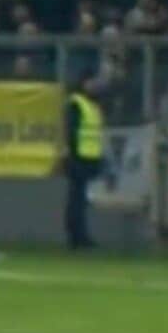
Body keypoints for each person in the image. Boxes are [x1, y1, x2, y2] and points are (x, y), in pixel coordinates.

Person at [64, 74, 106, 250]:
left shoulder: (93, 104)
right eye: (91, 82)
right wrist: (72, 154)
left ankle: (80, 235)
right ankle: (77, 236)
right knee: (77, 199)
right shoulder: (77, 103)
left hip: (90, 157)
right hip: (79, 157)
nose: (94, 86)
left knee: (81, 199)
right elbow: (72, 131)